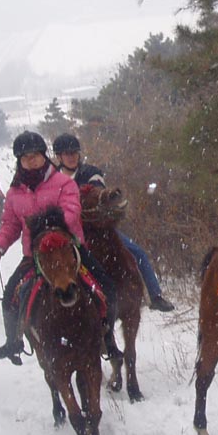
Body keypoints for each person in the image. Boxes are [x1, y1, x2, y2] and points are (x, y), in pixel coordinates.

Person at [0, 131, 121, 365]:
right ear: (19, 160)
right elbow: (10, 224)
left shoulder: (63, 183)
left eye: (36, 155)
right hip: (35, 256)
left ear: (44, 156)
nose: (31, 160)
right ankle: (14, 342)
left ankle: (108, 339)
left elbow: (72, 211)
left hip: (69, 251)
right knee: (10, 295)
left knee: (107, 288)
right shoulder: (14, 193)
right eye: (25, 157)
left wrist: (50, 228)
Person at [52, 133, 176, 312]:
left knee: (137, 252)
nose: (71, 157)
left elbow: (97, 191)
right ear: (59, 157)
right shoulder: (53, 180)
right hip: (68, 232)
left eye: (74, 153)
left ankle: (155, 295)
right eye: (66, 154)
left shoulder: (91, 172)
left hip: (96, 228)